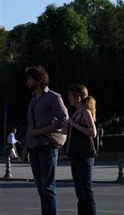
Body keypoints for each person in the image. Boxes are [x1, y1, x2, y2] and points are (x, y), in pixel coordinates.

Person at [25, 65, 69, 215]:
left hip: (47, 147)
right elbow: (30, 127)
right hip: (34, 148)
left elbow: (64, 120)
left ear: (38, 79)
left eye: (30, 79)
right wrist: (26, 148)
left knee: (47, 187)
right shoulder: (32, 101)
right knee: (40, 188)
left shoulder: (53, 97)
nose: (27, 82)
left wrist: (42, 131)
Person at [65, 84, 98, 215]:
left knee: (86, 190)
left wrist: (73, 124)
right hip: (76, 155)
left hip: (85, 156)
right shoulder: (76, 113)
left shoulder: (85, 112)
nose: (69, 99)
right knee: (79, 191)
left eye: (70, 97)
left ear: (77, 97)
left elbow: (92, 132)